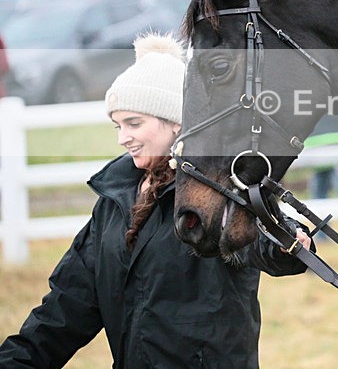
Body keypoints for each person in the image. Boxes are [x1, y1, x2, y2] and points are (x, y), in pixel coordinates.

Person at [0, 33, 312, 368]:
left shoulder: (217, 193)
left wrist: (285, 241)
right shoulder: (114, 200)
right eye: (118, 125)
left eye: (134, 123)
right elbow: (66, 307)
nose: (123, 138)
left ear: (177, 122)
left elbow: (257, 240)